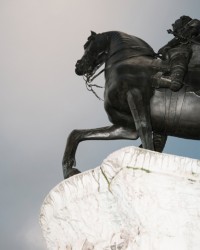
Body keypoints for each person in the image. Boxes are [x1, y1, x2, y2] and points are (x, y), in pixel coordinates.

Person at [154, 15, 200, 91]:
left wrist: (188, 32)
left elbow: (196, 24)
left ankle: (176, 78)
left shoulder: (192, 24)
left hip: (194, 47)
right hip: (184, 54)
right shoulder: (177, 38)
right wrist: (163, 50)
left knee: (180, 51)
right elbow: (168, 45)